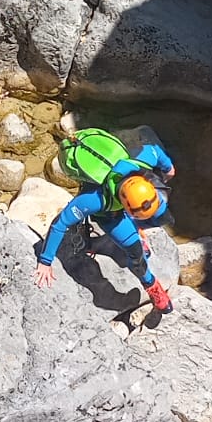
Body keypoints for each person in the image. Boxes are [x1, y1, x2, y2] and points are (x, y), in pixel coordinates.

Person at [33, 126, 176, 315]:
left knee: (164, 218)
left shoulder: (140, 163)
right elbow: (60, 224)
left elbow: (154, 151)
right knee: (136, 255)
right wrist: (45, 260)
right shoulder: (94, 200)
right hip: (111, 216)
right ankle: (151, 285)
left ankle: (138, 227)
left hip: (131, 204)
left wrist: (168, 168)